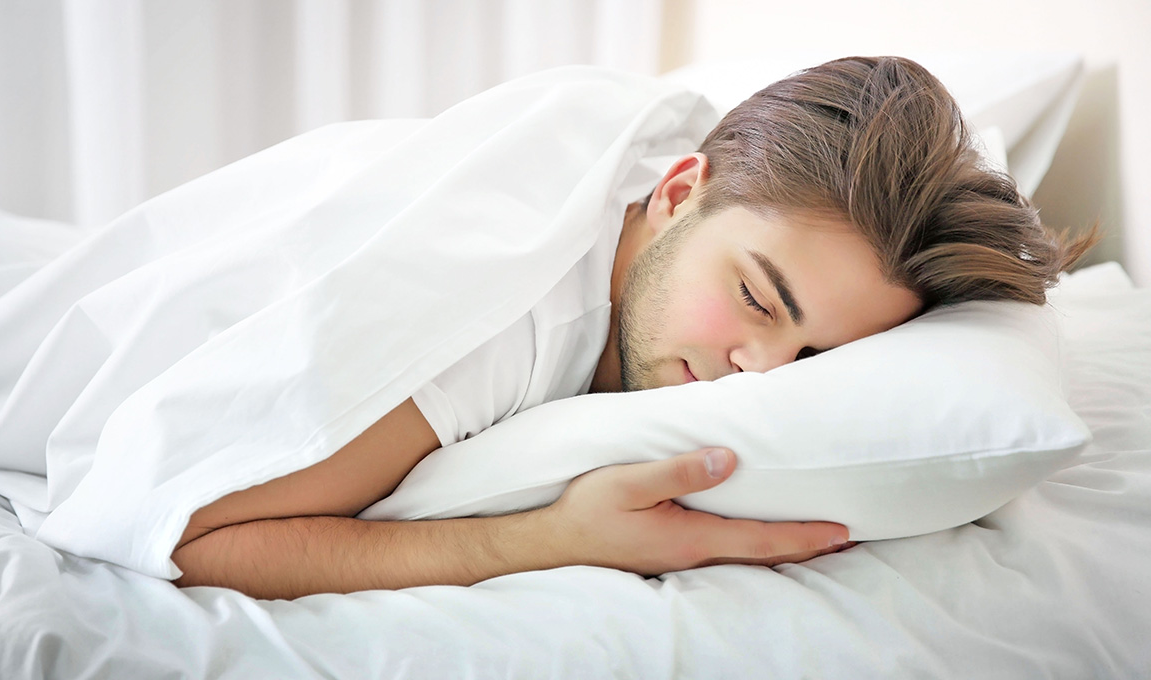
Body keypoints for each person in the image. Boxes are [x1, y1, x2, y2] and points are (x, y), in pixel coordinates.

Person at [170, 56, 1097, 599]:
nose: (758, 374)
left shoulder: (707, 235)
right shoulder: (497, 326)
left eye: (816, 357)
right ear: (680, 189)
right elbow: (195, 539)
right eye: (759, 300)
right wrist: (545, 538)